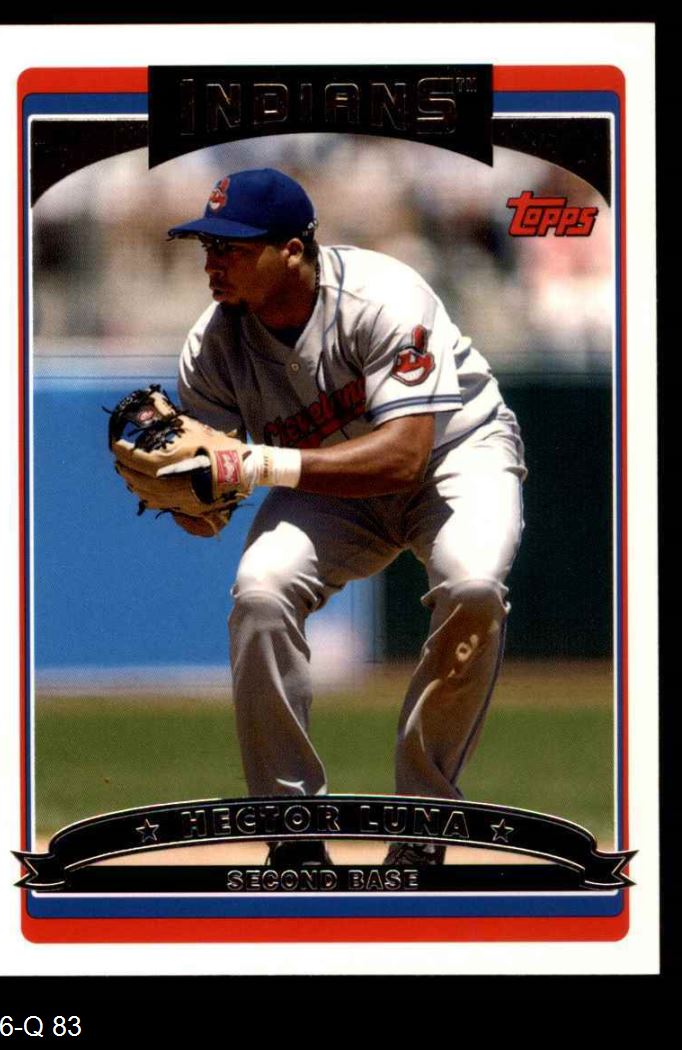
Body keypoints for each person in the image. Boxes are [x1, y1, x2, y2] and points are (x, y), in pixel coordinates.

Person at [167, 167, 526, 868]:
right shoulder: (210, 348)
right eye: (208, 245)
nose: (213, 262)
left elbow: (405, 457)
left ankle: (424, 822)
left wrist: (259, 465)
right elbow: (209, 514)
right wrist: (185, 496)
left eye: (233, 247)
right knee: (261, 591)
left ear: (292, 250)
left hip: (454, 454)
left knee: (473, 585)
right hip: (326, 485)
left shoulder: (382, 296)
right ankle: (291, 830)